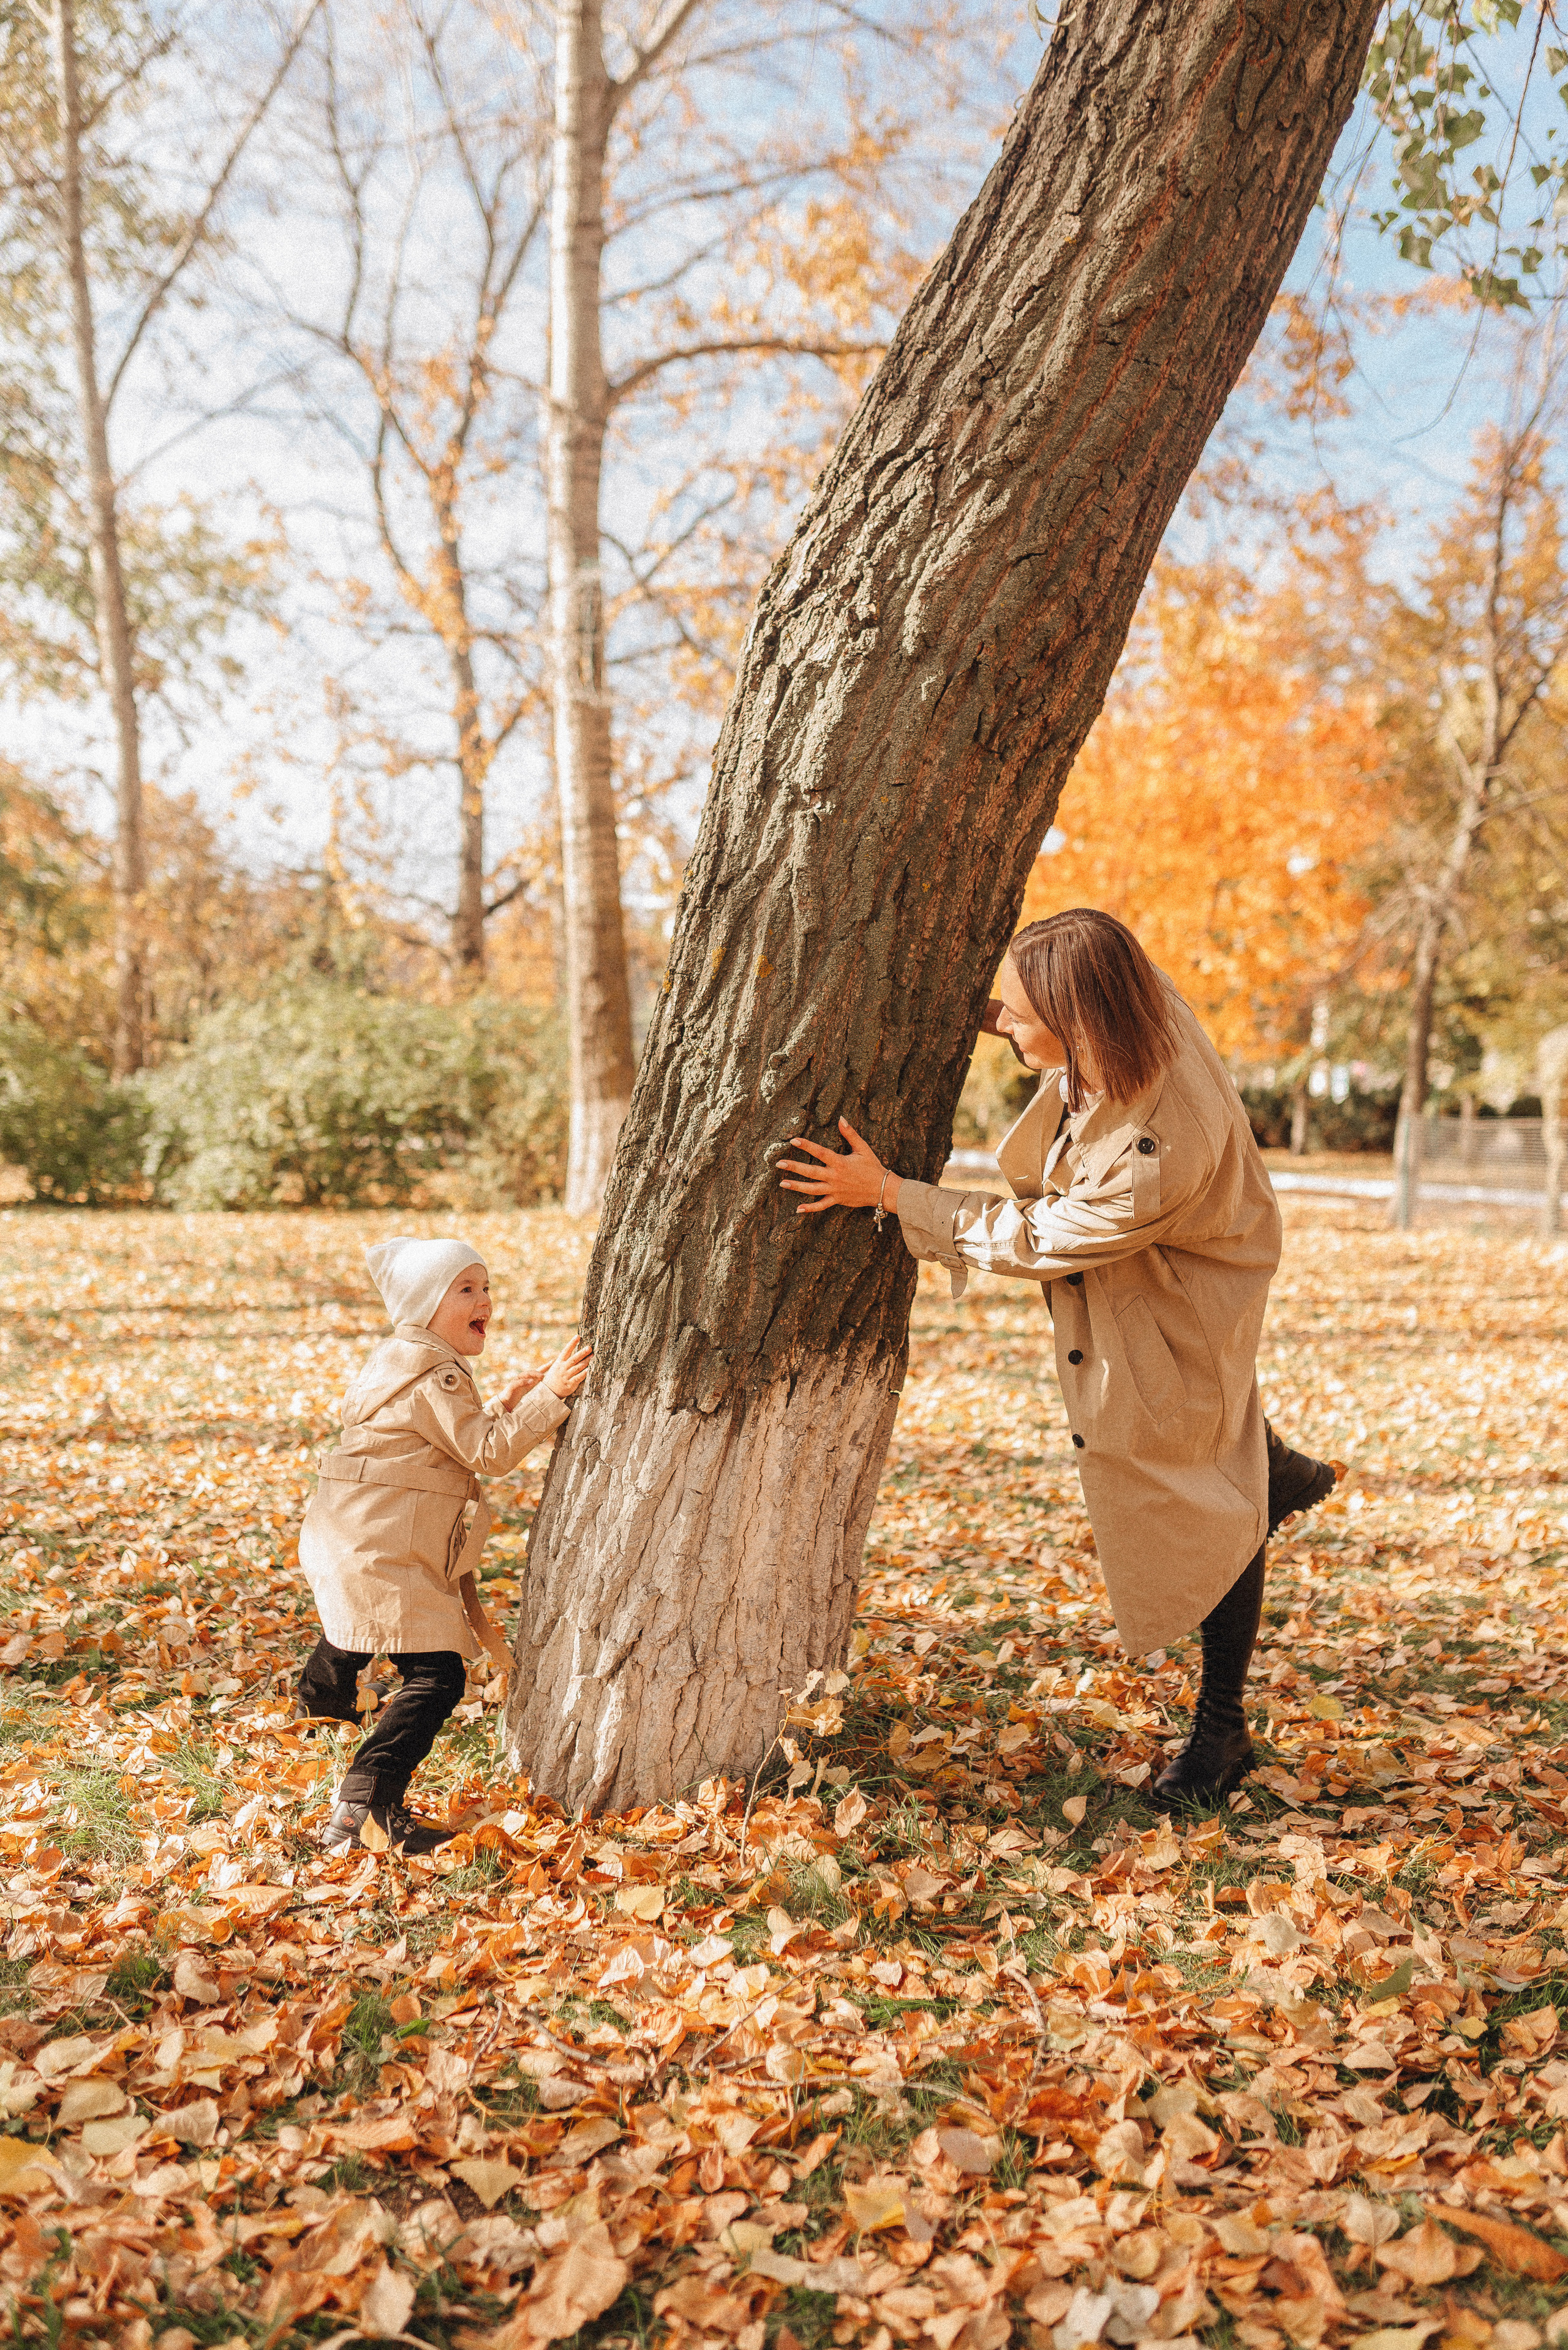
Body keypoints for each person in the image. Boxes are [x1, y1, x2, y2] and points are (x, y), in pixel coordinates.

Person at [777, 908, 1332, 1807]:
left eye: (1023, 1015)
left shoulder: (1154, 1154)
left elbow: (1036, 1236)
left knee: (1206, 1504)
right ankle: (1263, 1463)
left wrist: (885, 1192)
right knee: (1219, 1452)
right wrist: (998, 1014)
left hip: (1179, 1290)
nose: (1009, 1024)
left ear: (1080, 1021)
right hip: (1156, 1255)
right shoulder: (1131, 1006)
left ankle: (1220, 1732)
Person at [296, 1236, 592, 1853]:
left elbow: (439, 1439)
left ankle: (321, 1704)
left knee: (357, 1628)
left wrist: (505, 1403)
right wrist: (551, 1396)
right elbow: (490, 1453)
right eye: (465, 1289)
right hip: (382, 1551)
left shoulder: (398, 1362)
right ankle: (365, 1806)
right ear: (424, 1305)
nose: (484, 1300)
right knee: (437, 1677)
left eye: (486, 1287)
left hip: (351, 1539)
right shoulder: (441, 1374)